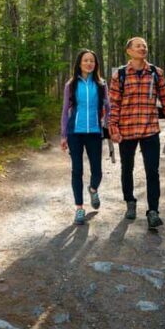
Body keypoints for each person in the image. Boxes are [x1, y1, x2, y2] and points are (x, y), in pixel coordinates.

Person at [108, 37, 165, 230]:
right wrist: (113, 128)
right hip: (127, 129)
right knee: (127, 168)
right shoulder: (120, 75)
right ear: (129, 51)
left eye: (145, 46)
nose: (143, 48)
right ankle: (130, 202)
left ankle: (153, 211)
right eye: (138, 46)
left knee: (152, 171)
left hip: (150, 130)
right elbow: (113, 104)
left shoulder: (155, 73)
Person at [60, 49, 110, 225]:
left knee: (97, 171)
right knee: (77, 170)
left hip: (95, 132)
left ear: (95, 64)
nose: (89, 63)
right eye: (85, 60)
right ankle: (79, 208)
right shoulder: (71, 85)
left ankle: (93, 188)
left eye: (92, 61)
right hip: (75, 133)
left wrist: (108, 124)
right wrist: (64, 135)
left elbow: (108, 107)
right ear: (79, 63)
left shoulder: (101, 84)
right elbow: (66, 111)